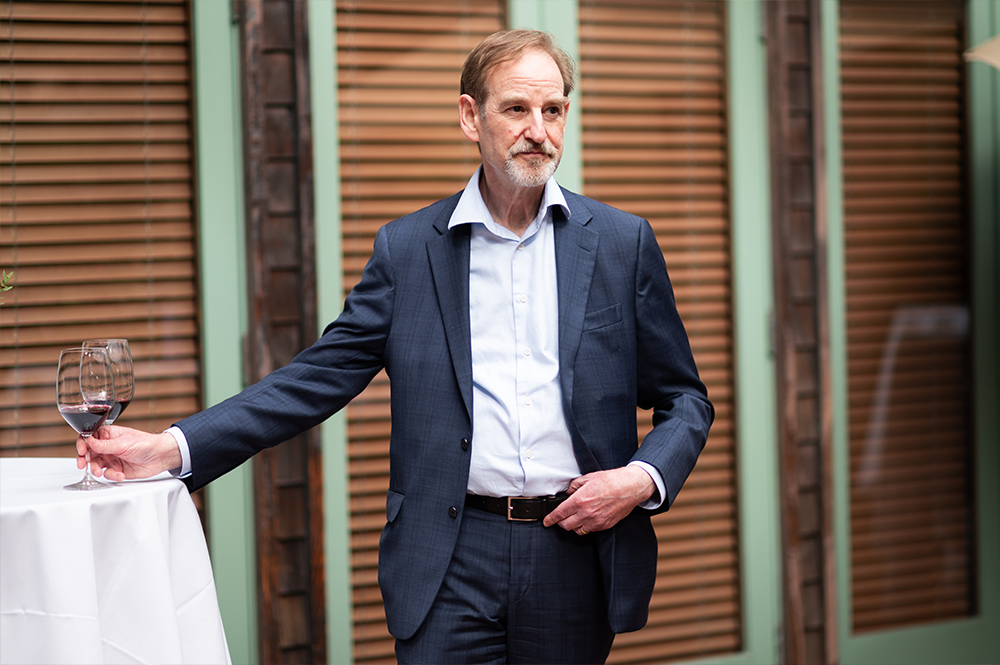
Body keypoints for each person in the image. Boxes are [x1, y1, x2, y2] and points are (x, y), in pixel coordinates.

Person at [79, 29, 714, 664]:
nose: (538, 130)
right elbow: (316, 377)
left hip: (575, 554)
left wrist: (640, 478)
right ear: (471, 116)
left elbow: (685, 397)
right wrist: (172, 448)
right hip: (448, 559)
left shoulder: (623, 244)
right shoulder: (408, 251)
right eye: (516, 109)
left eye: (553, 111)